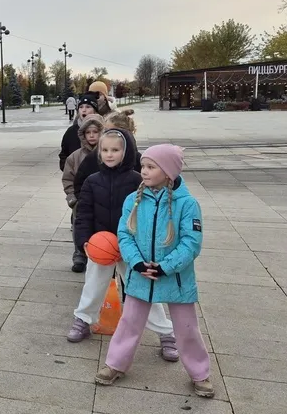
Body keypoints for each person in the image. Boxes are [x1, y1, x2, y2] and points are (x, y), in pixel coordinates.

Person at [95, 144, 213, 398]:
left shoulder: (188, 204)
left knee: (187, 328)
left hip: (176, 279)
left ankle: (200, 373)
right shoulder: (134, 200)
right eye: (143, 167)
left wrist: (166, 267)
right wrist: (136, 263)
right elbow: (124, 234)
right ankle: (115, 364)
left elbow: (191, 243)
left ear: (168, 171)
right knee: (129, 323)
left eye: (151, 167)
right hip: (140, 276)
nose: (144, 172)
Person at [67, 130, 179, 362]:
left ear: (126, 151)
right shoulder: (92, 181)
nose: (109, 154)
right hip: (101, 244)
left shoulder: (138, 180)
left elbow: (151, 213)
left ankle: (166, 333)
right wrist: (84, 241)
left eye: (115, 150)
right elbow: (83, 214)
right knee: (93, 284)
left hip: (132, 247)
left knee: (143, 290)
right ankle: (84, 319)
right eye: (105, 150)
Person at [61, 113, 105, 271]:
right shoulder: (75, 157)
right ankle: (79, 253)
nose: (92, 136)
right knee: (80, 224)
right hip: (81, 199)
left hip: (103, 199)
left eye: (95, 132)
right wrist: (72, 197)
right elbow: (68, 179)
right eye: (88, 132)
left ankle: (101, 251)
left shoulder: (107, 154)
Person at [72, 109, 139, 200]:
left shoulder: (137, 159)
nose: (108, 135)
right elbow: (79, 184)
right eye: (105, 131)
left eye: (112, 132)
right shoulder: (94, 157)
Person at [58, 94, 99, 171]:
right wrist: (69, 169)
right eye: (81, 107)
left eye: (88, 107)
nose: (84, 110)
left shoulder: (103, 129)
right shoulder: (71, 131)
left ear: (95, 110)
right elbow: (64, 154)